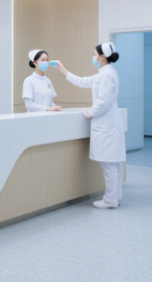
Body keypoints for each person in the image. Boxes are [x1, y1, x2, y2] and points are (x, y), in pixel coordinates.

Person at [55, 43, 126, 209]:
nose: (93, 57)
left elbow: (103, 101)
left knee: (109, 165)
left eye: (95, 54)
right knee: (113, 164)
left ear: (102, 56)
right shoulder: (105, 73)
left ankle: (110, 200)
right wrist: (64, 71)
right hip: (109, 123)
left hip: (106, 125)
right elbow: (83, 81)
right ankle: (115, 197)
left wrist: (91, 113)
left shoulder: (107, 75)